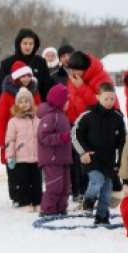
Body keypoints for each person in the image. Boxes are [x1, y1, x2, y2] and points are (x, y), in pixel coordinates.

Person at [71, 83, 126, 225]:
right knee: (97, 181)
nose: (109, 102)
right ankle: (88, 201)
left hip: (109, 161)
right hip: (92, 159)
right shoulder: (88, 116)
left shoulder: (117, 118)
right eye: (106, 99)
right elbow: (75, 134)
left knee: (107, 191)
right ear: (98, 97)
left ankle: (102, 217)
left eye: (112, 99)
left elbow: (122, 143)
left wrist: (119, 163)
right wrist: (83, 152)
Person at [65, 51, 112, 201]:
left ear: (84, 68)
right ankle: (80, 192)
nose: (72, 73)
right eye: (70, 69)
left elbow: (103, 104)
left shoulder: (101, 78)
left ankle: (96, 193)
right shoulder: (74, 77)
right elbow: (72, 99)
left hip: (98, 126)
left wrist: (82, 87)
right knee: (79, 161)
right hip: (79, 125)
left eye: (75, 69)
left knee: (94, 162)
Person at [0, 61, 41, 204]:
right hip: (13, 136)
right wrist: (3, 142)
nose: (26, 79)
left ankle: (32, 195)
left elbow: (39, 112)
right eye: (23, 76)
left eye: (29, 75)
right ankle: (16, 196)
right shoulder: (6, 94)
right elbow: (1, 118)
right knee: (14, 169)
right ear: (16, 78)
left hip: (31, 137)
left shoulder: (34, 91)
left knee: (31, 170)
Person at [37, 84, 73, 216]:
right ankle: (48, 209)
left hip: (63, 158)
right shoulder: (50, 117)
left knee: (65, 187)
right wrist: (61, 138)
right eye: (66, 101)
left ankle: (61, 208)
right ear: (59, 102)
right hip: (52, 158)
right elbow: (43, 136)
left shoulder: (62, 115)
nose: (68, 103)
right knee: (54, 186)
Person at [5, 86, 42, 211]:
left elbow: (41, 138)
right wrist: (10, 156)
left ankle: (37, 201)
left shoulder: (37, 120)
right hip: (21, 158)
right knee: (24, 181)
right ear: (17, 104)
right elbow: (10, 140)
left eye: (26, 101)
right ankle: (26, 202)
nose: (24, 104)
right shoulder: (13, 121)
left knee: (37, 181)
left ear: (31, 103)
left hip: (36, 157)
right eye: (20, 102)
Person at [0, 28, 53, 101]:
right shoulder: (7, 63)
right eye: (25, 43)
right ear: (19, 44)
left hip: (37, 106)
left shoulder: (40, 62)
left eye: (31, 44)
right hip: (13, 107)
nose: (28, 46)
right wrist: (0, 107)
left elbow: (47, 86)